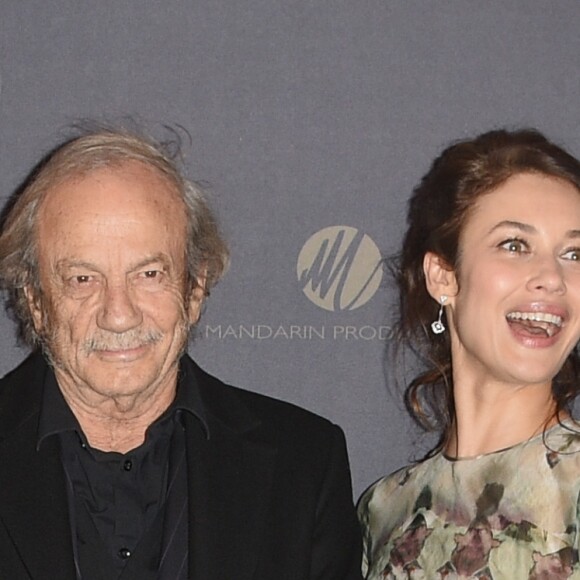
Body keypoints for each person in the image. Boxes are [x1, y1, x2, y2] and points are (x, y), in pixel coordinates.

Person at [0, 127, 363, 580]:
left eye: (149, 273)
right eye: (82, 279)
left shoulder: (303, 464)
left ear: (194, 289)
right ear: (36, 301)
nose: (119, 315)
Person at [358, 129, 580, 578]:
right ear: (444, 277)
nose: (552, 278)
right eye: (515, 245)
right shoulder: (385, 509)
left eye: (575, 253)